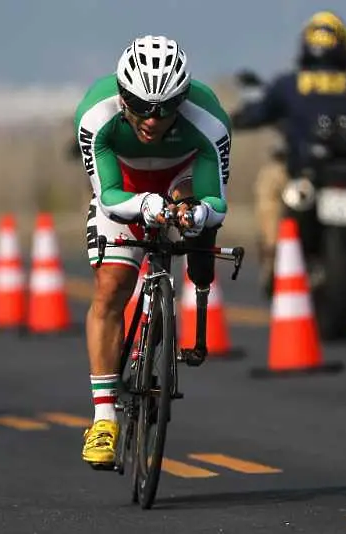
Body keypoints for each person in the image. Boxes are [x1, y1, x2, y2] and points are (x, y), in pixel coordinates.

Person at [73, 35, 232, 469]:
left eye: (164, 108)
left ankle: (163, 315)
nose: (151, 118)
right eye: (140, 105)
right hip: (123, 189)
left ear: (181, 101)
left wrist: (197, 215)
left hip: (180, 179)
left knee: (187, 203)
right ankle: (104, 418)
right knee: (111, 286)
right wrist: (143, 204)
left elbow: (216, 202)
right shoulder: (95, 115)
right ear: (123, 95)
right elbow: (107, 196)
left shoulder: (210, 122)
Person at [230, 11, 346, 298]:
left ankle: (274, 256)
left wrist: (236, 118)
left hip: (303, 173)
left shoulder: (289, 83)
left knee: (269, 184)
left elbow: (256, 113)